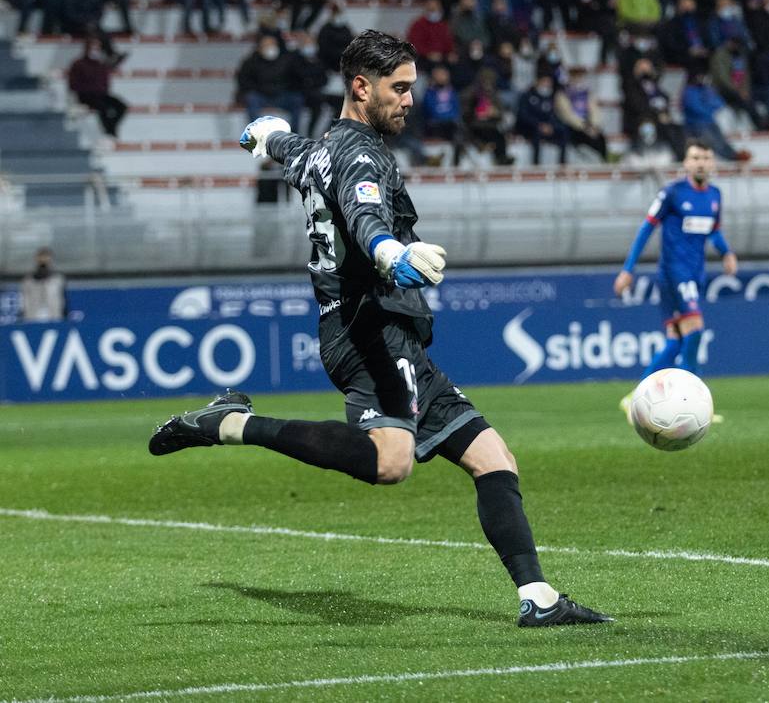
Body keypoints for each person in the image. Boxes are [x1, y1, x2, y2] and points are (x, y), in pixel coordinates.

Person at [149, 31, 609, 628]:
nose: (410, 100)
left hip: (390, 331)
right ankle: (230, 423)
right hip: (367, 329)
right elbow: (365, 213)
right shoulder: (361, 155)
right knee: (391, 462)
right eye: (399, 88)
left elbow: (289, 148)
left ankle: (539, 599)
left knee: (493, 458)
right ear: (361, 88)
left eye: (412, 87)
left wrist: (266, 136)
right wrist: (391, 253)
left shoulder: (320, 149)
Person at [613, 140, 738, 404]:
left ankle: (636, 398)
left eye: (706, 157)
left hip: (695, 273)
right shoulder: (672, 193)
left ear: (713, 162)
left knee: (677, 340)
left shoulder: (715, 195)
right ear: (686, 163)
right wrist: (628, 270)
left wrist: (726, 252)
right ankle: (691, 399)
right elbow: (646, 228)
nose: (701, 162)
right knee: (695, 329)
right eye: (695, 158)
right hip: (674, 272)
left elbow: (712, 230)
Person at [67, 38, 129, 137]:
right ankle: (110, 133)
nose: (95, 50)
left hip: (101, 94)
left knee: (122, 106)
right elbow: (73, 85)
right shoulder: (78, 64)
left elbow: (105, 83)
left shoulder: (101, 65)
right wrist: (89, 89)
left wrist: (102, 90)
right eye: (93, 47)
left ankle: (111, 130)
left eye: (97, 48)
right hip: (85, 96)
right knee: (103, 108)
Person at [20, 247, 67, 323]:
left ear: (50, 259)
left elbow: (62, 299)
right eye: (41, 257)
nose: (43, 260)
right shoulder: (28, 280)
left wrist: (62, 314)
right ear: (36, 259)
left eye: (46, 257)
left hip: (54, 315)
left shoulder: (58, 279)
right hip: (33, 315)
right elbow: (25, 300)